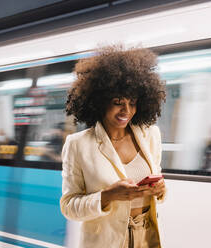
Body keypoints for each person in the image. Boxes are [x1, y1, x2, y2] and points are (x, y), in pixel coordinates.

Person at [60, 45, 167, 248]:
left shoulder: (151, 135)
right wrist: (108, 195)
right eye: (118, 102)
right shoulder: (78, 145)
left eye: (132, 102)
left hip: (147, 237)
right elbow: (69, 206)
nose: (126, 110)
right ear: (100, 102)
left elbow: (158, 185)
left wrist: (160, 190)